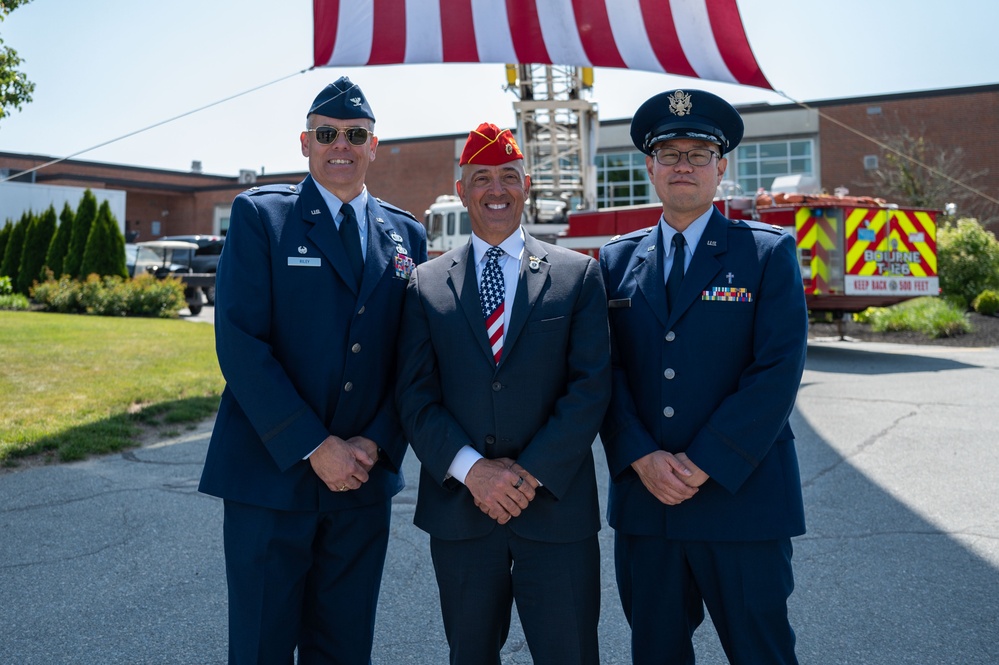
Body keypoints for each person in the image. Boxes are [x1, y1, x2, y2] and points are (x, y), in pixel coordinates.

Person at [198, 76, 427, 664]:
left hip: (362, 480)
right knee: (261, 647)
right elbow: (241, 345)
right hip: (271, 477)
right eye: (327, 134)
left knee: (345, 648)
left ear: (375, 145)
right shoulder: (261, 218)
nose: (341, 146)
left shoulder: (405, 235)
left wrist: (374, 444)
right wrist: (314, 446)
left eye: (356, 134)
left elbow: (413, 356)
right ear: (305, 143)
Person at [599, 89, 809, 664]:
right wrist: (641, 456)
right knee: (656, 653)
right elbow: (602, 372)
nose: (683, 165)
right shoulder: (616, 261)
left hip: (740, 498)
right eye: (669, 154)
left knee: (761, 651)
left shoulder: (766, 254)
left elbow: (776, 372)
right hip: (647, 502)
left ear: (722, 166)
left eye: (698, 153)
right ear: (650, 166)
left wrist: (705, 462)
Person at [396, 123, 611, 665]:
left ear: (527, 184)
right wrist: (475, 472)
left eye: (509, 177)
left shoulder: (577, 275)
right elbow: (415, 397)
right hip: (461, 514)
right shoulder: (424, 285)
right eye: (482, 178)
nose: (497, 189)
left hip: (556, 511)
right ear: (462, 187)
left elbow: (590, 388)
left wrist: (527, 474)